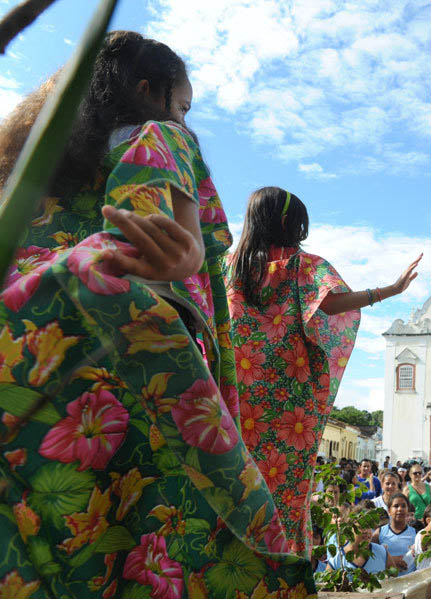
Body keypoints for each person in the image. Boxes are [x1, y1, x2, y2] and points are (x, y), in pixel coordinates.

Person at [0, 31, 315, 596]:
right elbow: (165, 231)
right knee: (148, 528)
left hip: (23, 346)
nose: (185, 119)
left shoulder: (33, 166)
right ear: (150, 91)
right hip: (112, 352)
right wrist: (185, 255)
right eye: (183, 104)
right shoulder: (160, 135)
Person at [227, 186, 421, 555]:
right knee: (282, 497)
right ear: (288, 223)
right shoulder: (303, 266)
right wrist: (389, 291)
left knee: (232, 488)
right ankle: (278, 575)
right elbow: (332, 304)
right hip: (289, 410)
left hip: (233, 400)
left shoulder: (226, 267)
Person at [325, 503, 388, 575]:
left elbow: (395, 581)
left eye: (368, 527)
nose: (366, 531)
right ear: (349, 530)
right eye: (360, 527)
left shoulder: (382, 552)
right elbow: (326, 585)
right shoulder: (337, 561)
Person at [372, 493, 417, 575]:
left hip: (411, 584)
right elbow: (371, 557)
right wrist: (391, 560)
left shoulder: (416, 533)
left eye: (404, 506)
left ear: (407, 509)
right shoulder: (379, 532)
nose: (400, 509)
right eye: (396, 506)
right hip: (388, 584)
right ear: (389, 510)